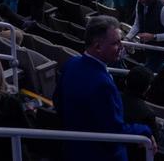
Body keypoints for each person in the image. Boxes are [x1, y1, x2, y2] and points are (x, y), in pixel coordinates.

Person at [56, 16, 154, 161]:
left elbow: (58, 102)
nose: (121, 46)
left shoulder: (72, 63)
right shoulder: (103, 84)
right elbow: (114, 132)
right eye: (116, 43)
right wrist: (145, 130)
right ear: (98, 47)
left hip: (72, 146)